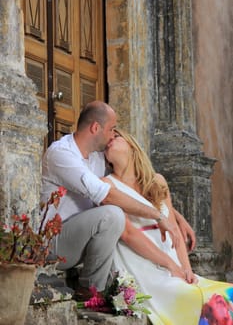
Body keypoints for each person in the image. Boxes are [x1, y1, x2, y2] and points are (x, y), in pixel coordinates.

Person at [40, 100, 194, 298]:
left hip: (82, 239)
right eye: (112, 129)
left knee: (113, 215)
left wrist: (175, 217)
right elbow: (107, 195)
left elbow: (132, 189)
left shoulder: (96, 158)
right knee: (112, 214)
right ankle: (91, 290)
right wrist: (157, 216)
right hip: (54, 243)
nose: (113, 135)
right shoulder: (61, 154)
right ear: (96, 127)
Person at [103, 129, 233, 325]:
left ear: (132, 146)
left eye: (116, 136)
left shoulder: (157, 181)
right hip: (142, 265)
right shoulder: (107, 185)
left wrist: (186, 270)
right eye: (107, 140)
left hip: (172, 261)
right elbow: (128, 234)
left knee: (227, 295)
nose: (109, 141)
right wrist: (171, 266)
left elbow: (174, 231)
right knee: (210, 306)